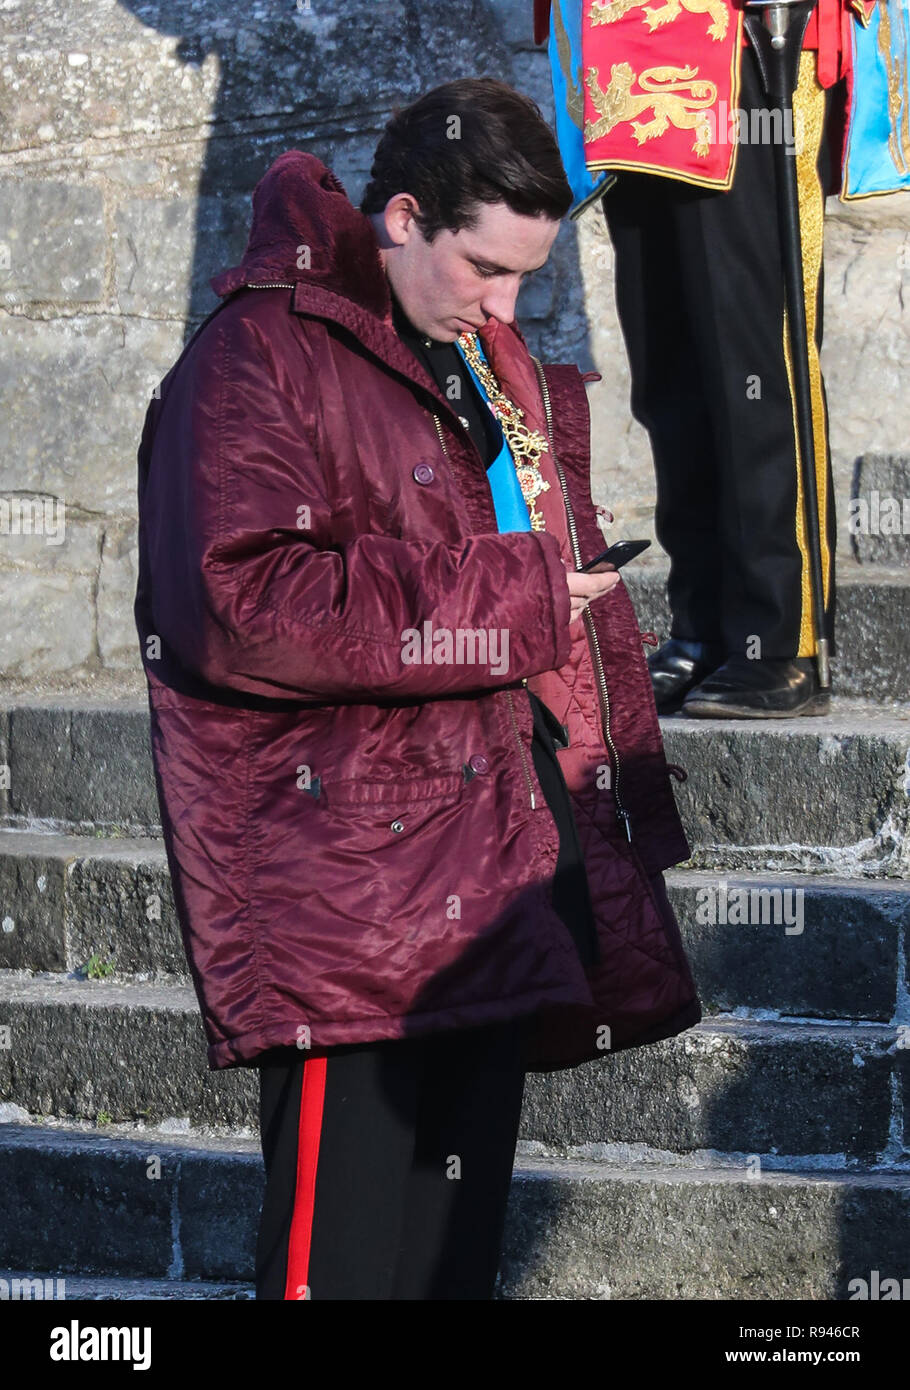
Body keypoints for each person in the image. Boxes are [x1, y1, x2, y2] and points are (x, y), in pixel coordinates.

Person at [133, 77, 701, 1301]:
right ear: (401, 217)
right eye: (486, 271)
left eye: (526, 281)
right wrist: (518, 595)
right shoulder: (255, 356)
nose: (506, 309)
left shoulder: (476, 359)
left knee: (448, 1272)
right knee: (343, 1275)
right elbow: (241, 607)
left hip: (496, 865)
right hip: (352, 892)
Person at [537, 0, 902, 717]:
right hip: (624, 56)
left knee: (754, 362)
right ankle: (702, 628)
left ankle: (776, 638)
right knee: (667, 371)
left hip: (741, 45)